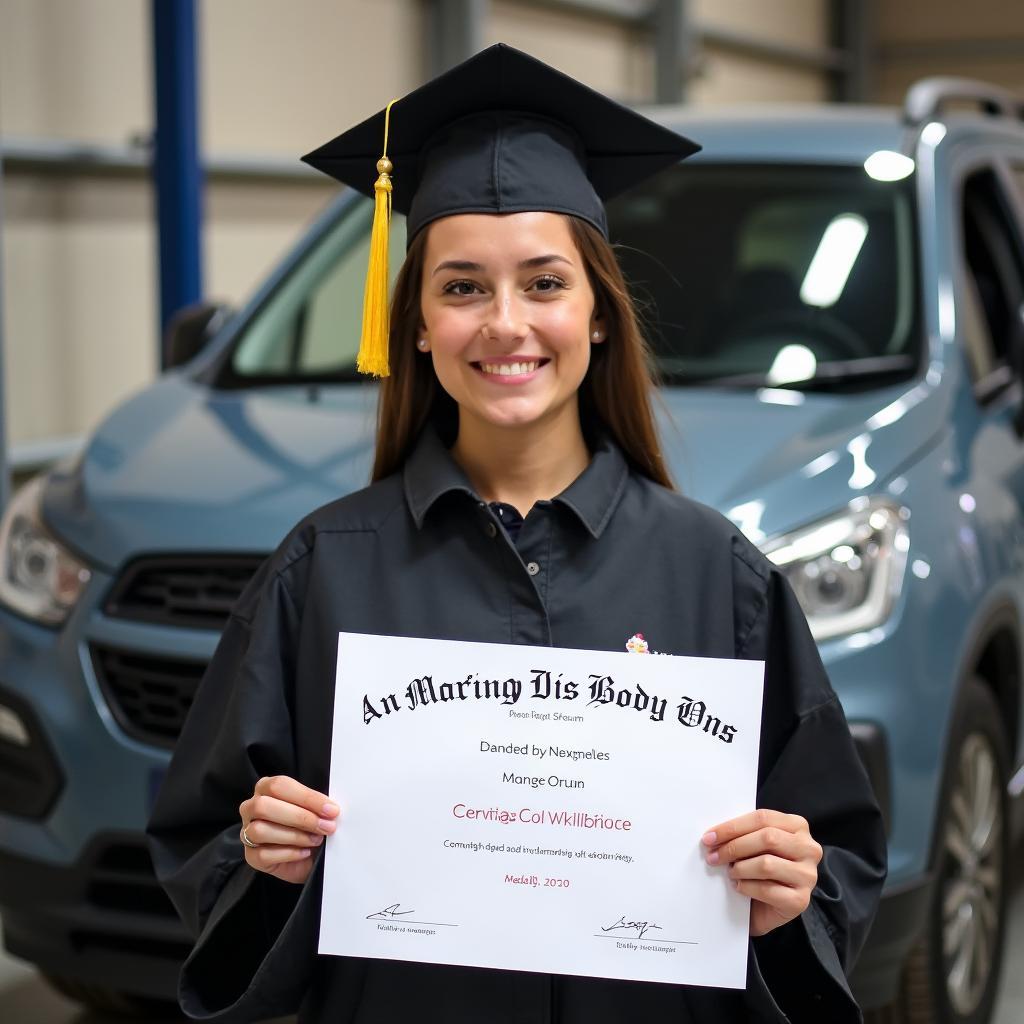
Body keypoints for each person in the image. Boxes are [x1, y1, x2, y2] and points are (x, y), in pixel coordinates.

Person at [147, 43, 886, 1024]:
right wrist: (264, 861)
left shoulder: (720, 576)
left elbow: (834, 848)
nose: (504, 323)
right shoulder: (320, 571)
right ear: (414, 320)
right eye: (460, 288)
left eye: (544, 283)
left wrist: (790, 896)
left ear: (599, 314)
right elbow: (201, 848)